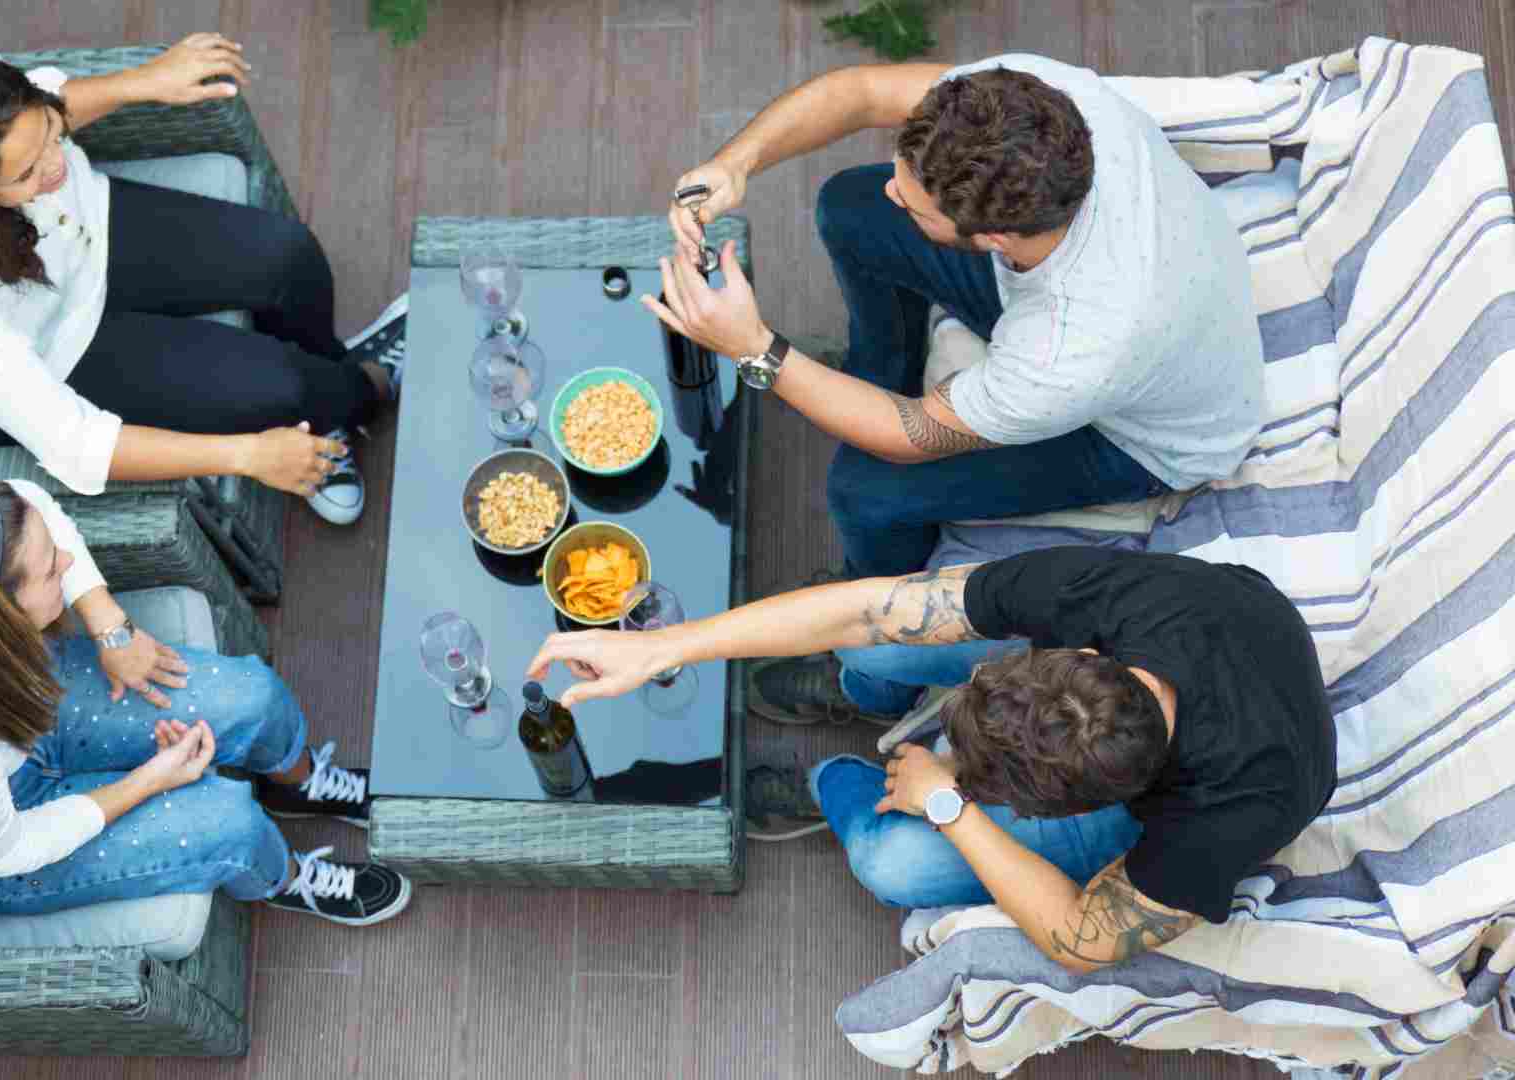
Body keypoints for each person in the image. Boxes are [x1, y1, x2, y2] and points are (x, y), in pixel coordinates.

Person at [643, 55, 1267, 723]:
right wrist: (736, 162)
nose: (894, 192)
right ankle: (872, 368)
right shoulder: (1046, 108)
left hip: (1143, 435)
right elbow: (862, 91)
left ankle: (875, 672)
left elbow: (910, 435)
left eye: (914, 203)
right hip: (1098, 315)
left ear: (993, 235)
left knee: (866, 491)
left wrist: (756, 352)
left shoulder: (1071, 346)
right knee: (850, 205)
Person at [527, 548, 1335, 971]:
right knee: (884, 644)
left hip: (1213, 769)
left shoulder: (1227, 814)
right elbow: (868, 606)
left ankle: (833, 784)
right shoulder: (1106, 594)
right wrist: (669, 644)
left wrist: (947, 802)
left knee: (895, 866)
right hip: (1210, 625)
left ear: (1084, 808)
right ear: (1074, 652)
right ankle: (860, 689)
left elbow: (1082, 938)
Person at [0, 34, 406, 526]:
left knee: (291, 255)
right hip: (56, 354)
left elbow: (48, 103)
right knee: (287, 388)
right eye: (25, 174)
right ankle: (360, 392)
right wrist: (248, 456)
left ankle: (331, 374)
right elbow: (73, 441)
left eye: (51, 135)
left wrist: (146, 81)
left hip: (87, 236)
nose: (54, 165)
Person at [0, 472, 412, 925]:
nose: (67, 568)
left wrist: (109, 627)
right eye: (50, 574)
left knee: (253, 696)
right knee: (231, 821)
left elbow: (31, 497)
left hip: (27, 696)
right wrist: (152, 779)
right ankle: (283, 879)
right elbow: (10, 851)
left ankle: (301, 783)